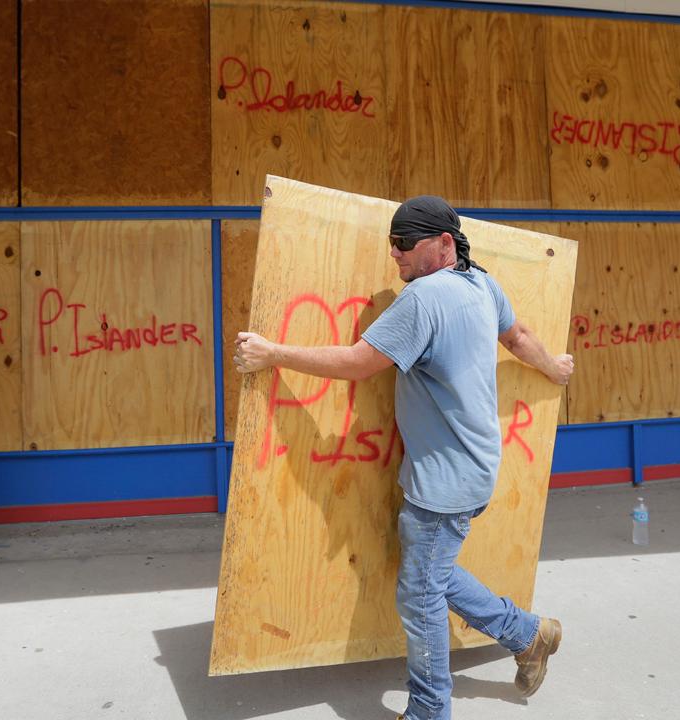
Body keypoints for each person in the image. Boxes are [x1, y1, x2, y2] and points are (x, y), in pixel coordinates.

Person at [233, 196, 575, 720]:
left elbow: (357, 363)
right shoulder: (482, 285)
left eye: (404, 243)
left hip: (443, 483)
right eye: (391, 242)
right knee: (431, 573)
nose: (394, 253)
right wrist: (553, 369)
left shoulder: (424, 299)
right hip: (475, 467)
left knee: (419, 596)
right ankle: (529, 634)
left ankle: (429, 710)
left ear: (444, 243)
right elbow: (519, 337)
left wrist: (272, 353)